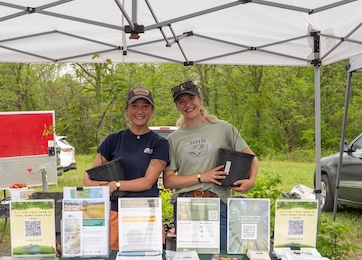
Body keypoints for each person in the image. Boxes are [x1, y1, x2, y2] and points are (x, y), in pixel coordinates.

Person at [163, 80, 258, 251]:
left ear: (200, 99)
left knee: (218, 259)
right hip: (186, 204)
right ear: (177, 106)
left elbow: (251, 157)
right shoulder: (173, 139)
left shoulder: (223, 128)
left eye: (191, 98)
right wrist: (202, 177)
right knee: (189, 259)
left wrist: (251, 180)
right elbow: (169, 182)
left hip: (217, 202)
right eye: (181, 101)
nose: (187, 105)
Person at [83, 86, 170, 250]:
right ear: (127, 110)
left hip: (146, 214)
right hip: (116, 212)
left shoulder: (159, 143)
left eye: (145, 106)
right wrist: (98, 185)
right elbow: (88, 176)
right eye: (134, 106)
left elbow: (147, 182)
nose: (140, 111)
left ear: (152, 110)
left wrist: (115, 185)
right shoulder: (113, 139)